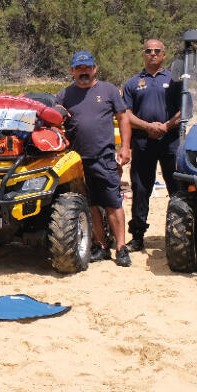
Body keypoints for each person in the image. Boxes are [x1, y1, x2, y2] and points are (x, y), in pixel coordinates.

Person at [56, 50, 133, 267]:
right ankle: (101, 246)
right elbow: (55, 119)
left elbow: (123, 118)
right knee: (91, 205)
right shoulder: (64, 95)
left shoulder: (108, 90)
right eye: (79, 68)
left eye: (87, 68)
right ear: (72, 71)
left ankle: (121, 247)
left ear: (94, 69)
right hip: (76, 162)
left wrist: (125, 147)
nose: (84, 72)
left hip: (104, 157)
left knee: (112, 203)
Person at [122, 38, 181, 252]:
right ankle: (137, 236)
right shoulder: (132, 83)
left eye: (157, 51)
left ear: (164, 55)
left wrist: (166, 126)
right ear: (143, 54)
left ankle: (179, 233)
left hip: (170, 141)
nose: (153, 54)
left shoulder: (175, 81)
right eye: (148, 51)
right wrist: (148, 127)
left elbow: (184, 110)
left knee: (177, 188)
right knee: (140, 189)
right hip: (143, 142)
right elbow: (126, 114)